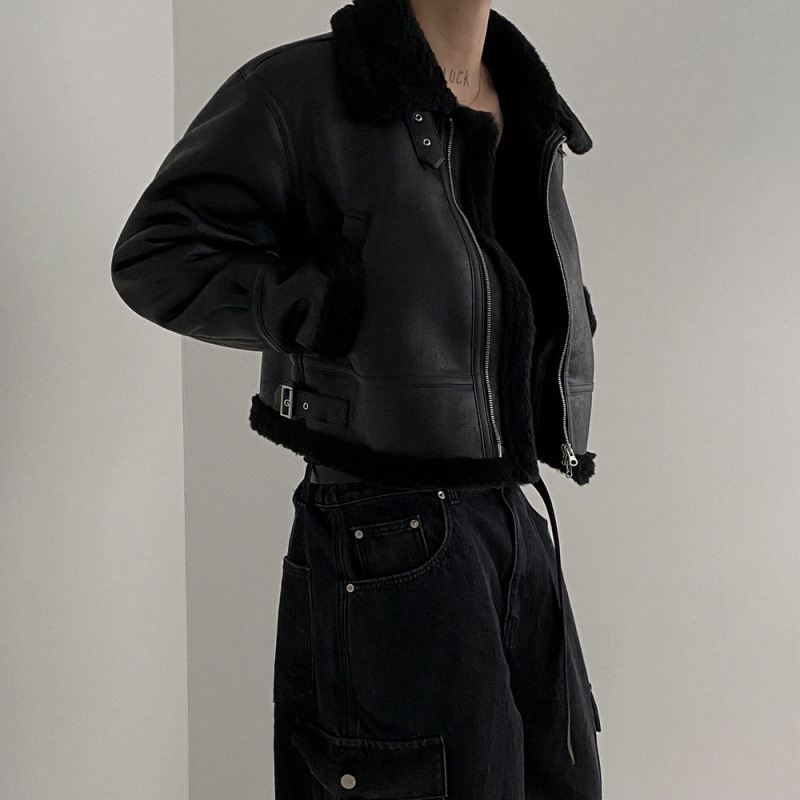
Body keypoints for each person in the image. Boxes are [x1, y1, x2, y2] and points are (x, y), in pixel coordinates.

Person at [110, 0, 602, 796]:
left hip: (515, 518)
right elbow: (156, 255)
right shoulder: (301, 90)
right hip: (384, 532)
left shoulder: (525, 103)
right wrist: (311, 308)